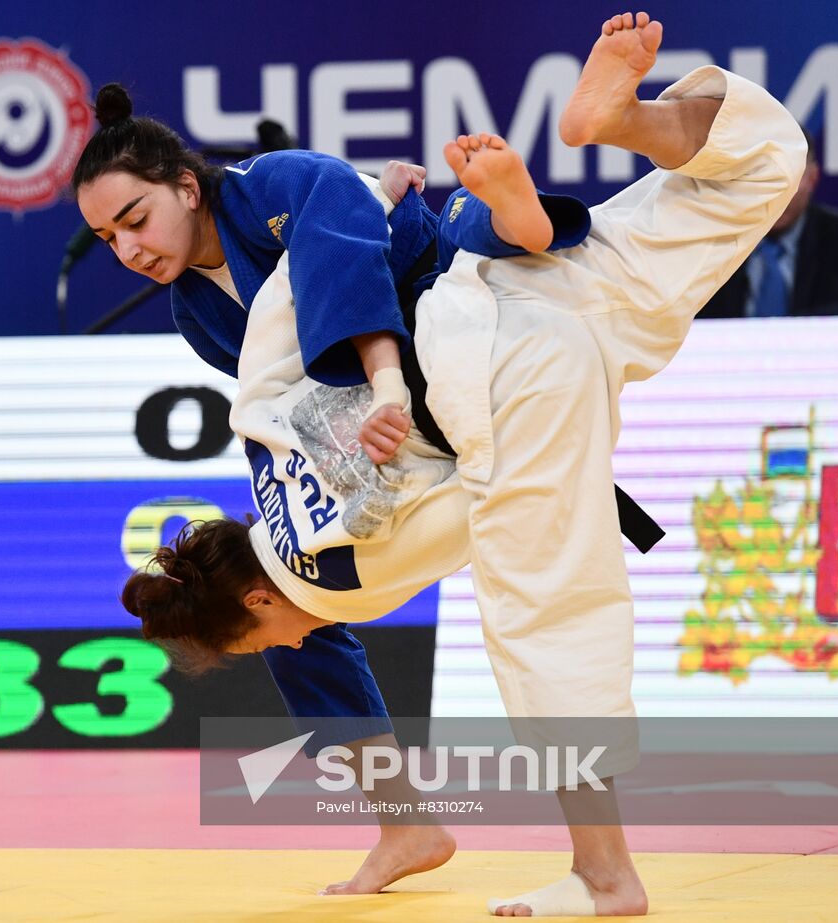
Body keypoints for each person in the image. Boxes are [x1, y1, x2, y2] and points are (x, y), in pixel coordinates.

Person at [117, 13, 805, 918]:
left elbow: (477, 517)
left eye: (261, 640)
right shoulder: (258, 439)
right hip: (505, 286)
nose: (128, 249)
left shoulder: (332, 578)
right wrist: (378, 208)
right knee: (759, 171)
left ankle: (605, 874)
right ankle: (618, 133)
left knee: (539, 613)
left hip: (498, 385)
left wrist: (406, 395)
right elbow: (287, 310)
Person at [75, 33, 595, 903]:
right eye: (106, 238)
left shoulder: (279, 180)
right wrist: (313, 500)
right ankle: (403, 820)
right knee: (283, 598)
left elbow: (343, 280)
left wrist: (381, 381)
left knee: (481, 234)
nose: (129, 248)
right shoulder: (193, 309)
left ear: (187, 187)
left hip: (437, 325)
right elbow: (279, 405)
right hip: (364, 425)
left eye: (136, 219)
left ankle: (519, 210)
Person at [698, 129, 838, 318]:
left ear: (812, 178)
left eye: (790, 177)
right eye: (763, 178)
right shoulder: (708, 243)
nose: (777, 192)